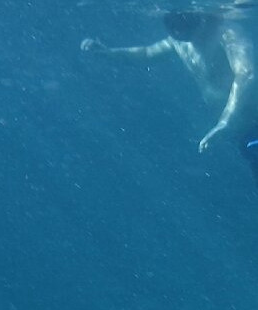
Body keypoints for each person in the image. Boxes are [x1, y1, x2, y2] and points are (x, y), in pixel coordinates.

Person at [82, 10, 258, 185]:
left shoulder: (227, 32)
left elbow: (246, 74)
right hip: (241, 129)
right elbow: (147, 54)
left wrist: (225, 122)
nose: (186, 38)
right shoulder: (179, 40)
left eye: (187, 29)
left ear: (199, 17)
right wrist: (108, 53)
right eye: (175, 30)